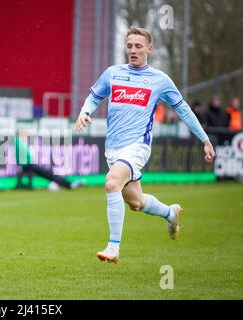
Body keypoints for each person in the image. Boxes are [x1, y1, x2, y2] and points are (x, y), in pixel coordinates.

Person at [75, 27, 215, 264]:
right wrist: (84, 112)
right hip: (114, 149)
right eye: (129, 46)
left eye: (138, 46)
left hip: (137, 147)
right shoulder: (113, 73)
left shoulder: (160, 80)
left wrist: (205, 139)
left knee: (111, 184)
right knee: (136, 203)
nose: (133, 50)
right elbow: (94, 96)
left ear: (149, 48)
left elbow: (184, 110)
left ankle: (113, 247)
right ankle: (170, 213)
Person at [15, 130, 83, 190]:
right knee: (48, 175)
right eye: (23, 134)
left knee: (42, 174)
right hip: (27, 164)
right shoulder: (18, 141)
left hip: (26, 164)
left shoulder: (19, 142)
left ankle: (68, 184)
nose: (25, 135)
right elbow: (24, 155)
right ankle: (68, 184)